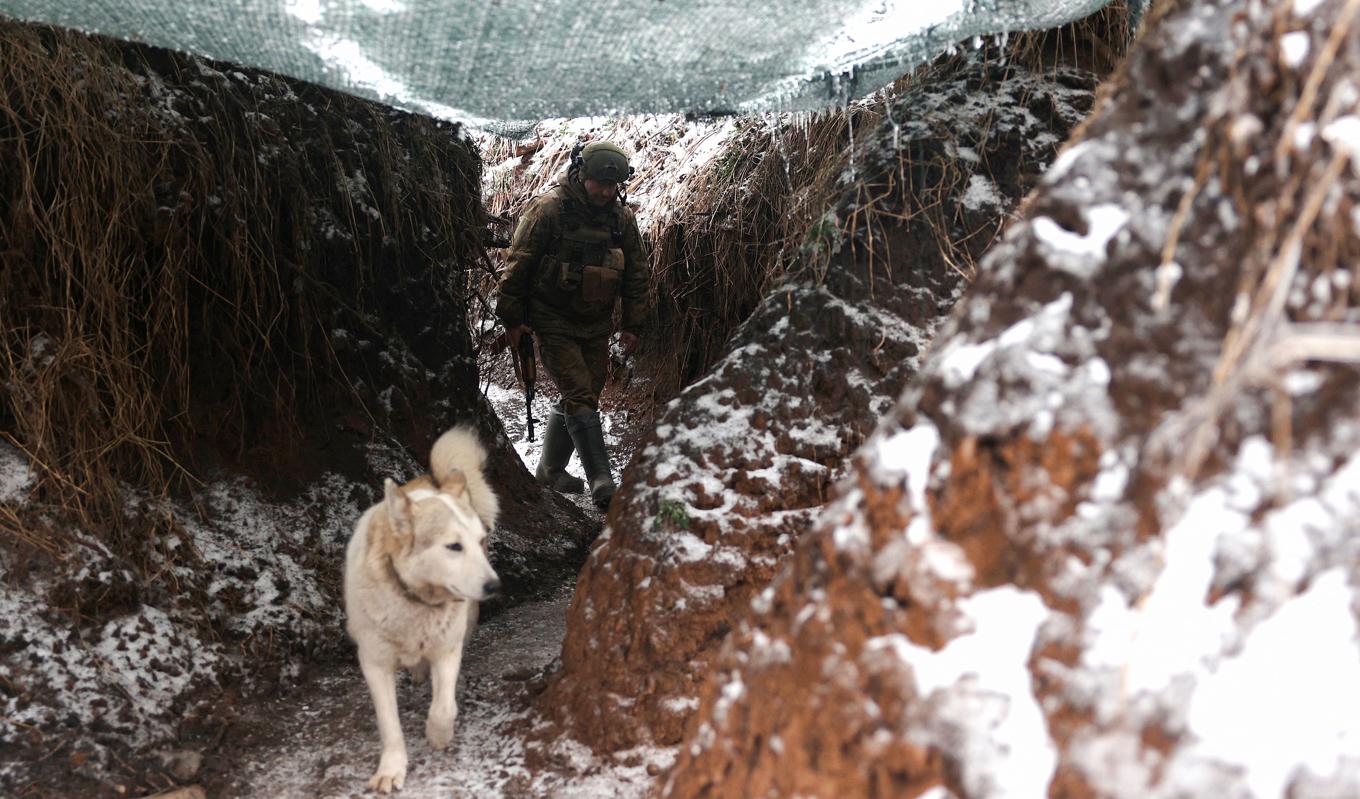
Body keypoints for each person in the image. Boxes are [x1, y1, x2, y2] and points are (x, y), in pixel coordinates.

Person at [496, 140, 649, 509]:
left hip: (595, 321)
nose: (605, 191)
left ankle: (550, 469)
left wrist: (633, 324)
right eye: (599, 183)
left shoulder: (620, 219)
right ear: (581, 175)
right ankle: (602, 480)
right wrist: (513, 320)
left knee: (588, 391)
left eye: (612, 186)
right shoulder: (548, 210)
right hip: (552, 319)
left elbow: (637, 274)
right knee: (579, 391)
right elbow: (517, 268)